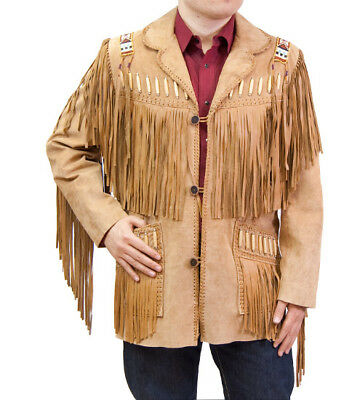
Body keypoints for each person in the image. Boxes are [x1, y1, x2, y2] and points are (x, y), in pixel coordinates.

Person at [46, 1, 323, 398]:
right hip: (154, 282)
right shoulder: (122, 60)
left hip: (255, 294)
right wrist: (108, 225)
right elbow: (67, 146)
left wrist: (297, 288)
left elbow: (302, 187)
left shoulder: (282, 65)